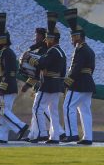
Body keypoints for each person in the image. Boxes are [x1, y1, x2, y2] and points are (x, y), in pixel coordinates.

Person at [27, 12, 66, 144]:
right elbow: (63, 71)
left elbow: (42, 63)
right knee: (53, 111)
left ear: (51, 39)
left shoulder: (52, 51)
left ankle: (40, 133)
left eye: (47, 38)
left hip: (48, 84)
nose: (45, 41)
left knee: (37, 108)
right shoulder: (61, 52)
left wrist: (30, 59)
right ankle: (54, 137)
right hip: (56, 85)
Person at [0, 13, 28, 144]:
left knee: (2, 110)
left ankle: (20, 126)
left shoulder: (6, 53)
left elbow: (8, 73)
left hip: (5, 87)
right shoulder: (7, 52)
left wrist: (1, 88)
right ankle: (1, 137)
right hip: (9, 85)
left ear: (1, 40)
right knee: (3, 112)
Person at [62, 8, 95, 145]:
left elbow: (76, 67)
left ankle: (72, 134)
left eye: (72, 37)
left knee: (67, 106)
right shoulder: (90, 50)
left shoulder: (80, 49)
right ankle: (88, 137)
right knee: (85, 111)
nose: (71, 40)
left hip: (78, 83)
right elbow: (90, 69)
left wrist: (67, 82)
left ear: (77, 37)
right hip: (87, 83)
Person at [22, 27, 49, 142]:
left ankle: (60, 132)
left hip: (45, 84)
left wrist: (28, 84)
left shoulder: (44, 50)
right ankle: (32, 135)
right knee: (37, 110)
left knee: (40, 110)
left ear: (43, 37)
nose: (36, 38)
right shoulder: (40, 50)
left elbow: (38, 70)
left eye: (38, 36)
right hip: (40, 84)